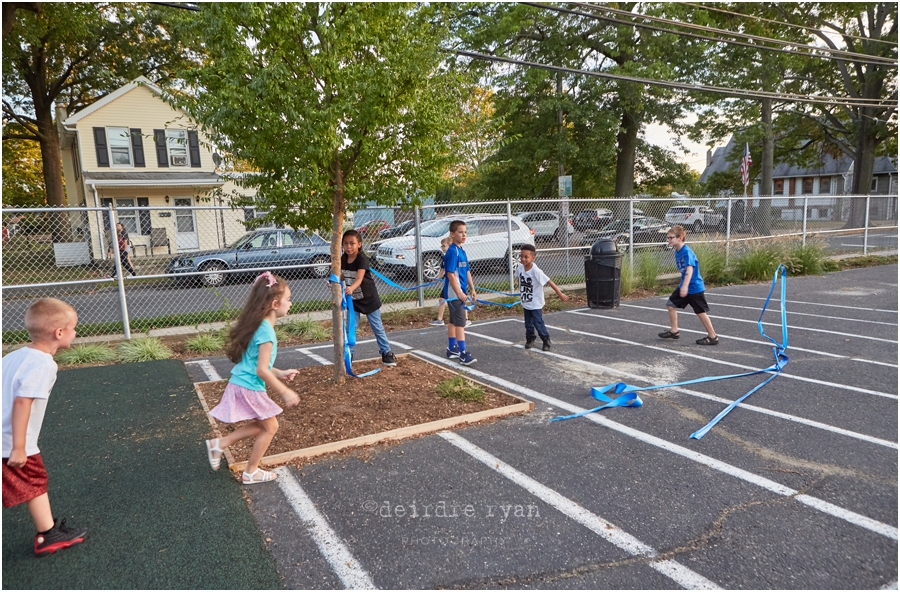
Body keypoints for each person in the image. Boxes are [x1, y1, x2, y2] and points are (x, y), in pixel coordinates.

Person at [3, 298, 88, 557]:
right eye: (73, 328)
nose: (75, 333)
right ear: (59, 333)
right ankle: (47, 534)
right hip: (12, 442)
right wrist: (19, 447)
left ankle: (47, 532)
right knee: (35, 481)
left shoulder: (13, 356)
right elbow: (22, 402)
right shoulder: (43, 364)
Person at [205, 272, 301, 484]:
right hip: (248, 386)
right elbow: (261, 371)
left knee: (263, 426)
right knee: (272, 427)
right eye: (288, 299)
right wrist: (285, 391)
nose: (291, 303)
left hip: (240, 383)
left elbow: (260, 364)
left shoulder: (260, 326)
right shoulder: (266, 333)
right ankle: (251, 472)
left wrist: (281, 373)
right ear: (275, 304)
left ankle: (219, 445)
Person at [340, 230, 397, 366]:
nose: (348, 247)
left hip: (368, 298)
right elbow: (342, 275)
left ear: (359, 244)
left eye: (352, 243)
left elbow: (359, 278)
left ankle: (386, 353)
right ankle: (349, 355)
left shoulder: (362, 259)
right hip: (353, 300)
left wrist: (351, 288)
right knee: (350, 328)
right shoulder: (343, 258)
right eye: (346, 244)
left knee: (377, 326)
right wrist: (334, 281)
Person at [658, 225, 719, 345]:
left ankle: (713, 336)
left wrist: (685, 286)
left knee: (700, 311)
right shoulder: (677, 251)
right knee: (671, 304)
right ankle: (674, 331)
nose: (668, 240)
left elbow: (689, 270)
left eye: (671, 238)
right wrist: (683, 286)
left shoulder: (686, 252)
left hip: (694, 287)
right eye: (667, 237)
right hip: (684, 286)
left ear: (680, 238)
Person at [516, 244, 568, 351]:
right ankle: (530, 339)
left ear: (533, 258)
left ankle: (546, 339)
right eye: (521, 256)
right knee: (528, 324)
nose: (523, 259)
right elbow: (518, 278)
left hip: (535, 303)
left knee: (537, 322)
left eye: (526, 257)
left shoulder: (536, 271)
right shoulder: (520, 268)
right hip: (526, 302)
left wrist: (560, 294)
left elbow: (549, 281)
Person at [443, 220, 477, 365]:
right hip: (453, 294)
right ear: (452, 234)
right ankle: (463, 354)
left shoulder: (462, 251)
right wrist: (459, 293)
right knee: (460, 323)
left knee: (453, 321)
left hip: (460, 292)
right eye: (460, 232)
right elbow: (450, 274)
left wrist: (472, 289)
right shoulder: (452, 252)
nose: (463, 235)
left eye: (465, 232)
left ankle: (452, 349)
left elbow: (467, 271)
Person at [430, 237, 471, 328]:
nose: (442, 248)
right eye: (442, 246)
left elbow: (462, 271)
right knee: (443, 300)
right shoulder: (446, 257)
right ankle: (440, 319)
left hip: (456, 284)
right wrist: (437, 278)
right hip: (449, 284)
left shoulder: (455, 254)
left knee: (460, 300)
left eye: (444, 246)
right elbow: (443, 270)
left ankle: (465, 319)